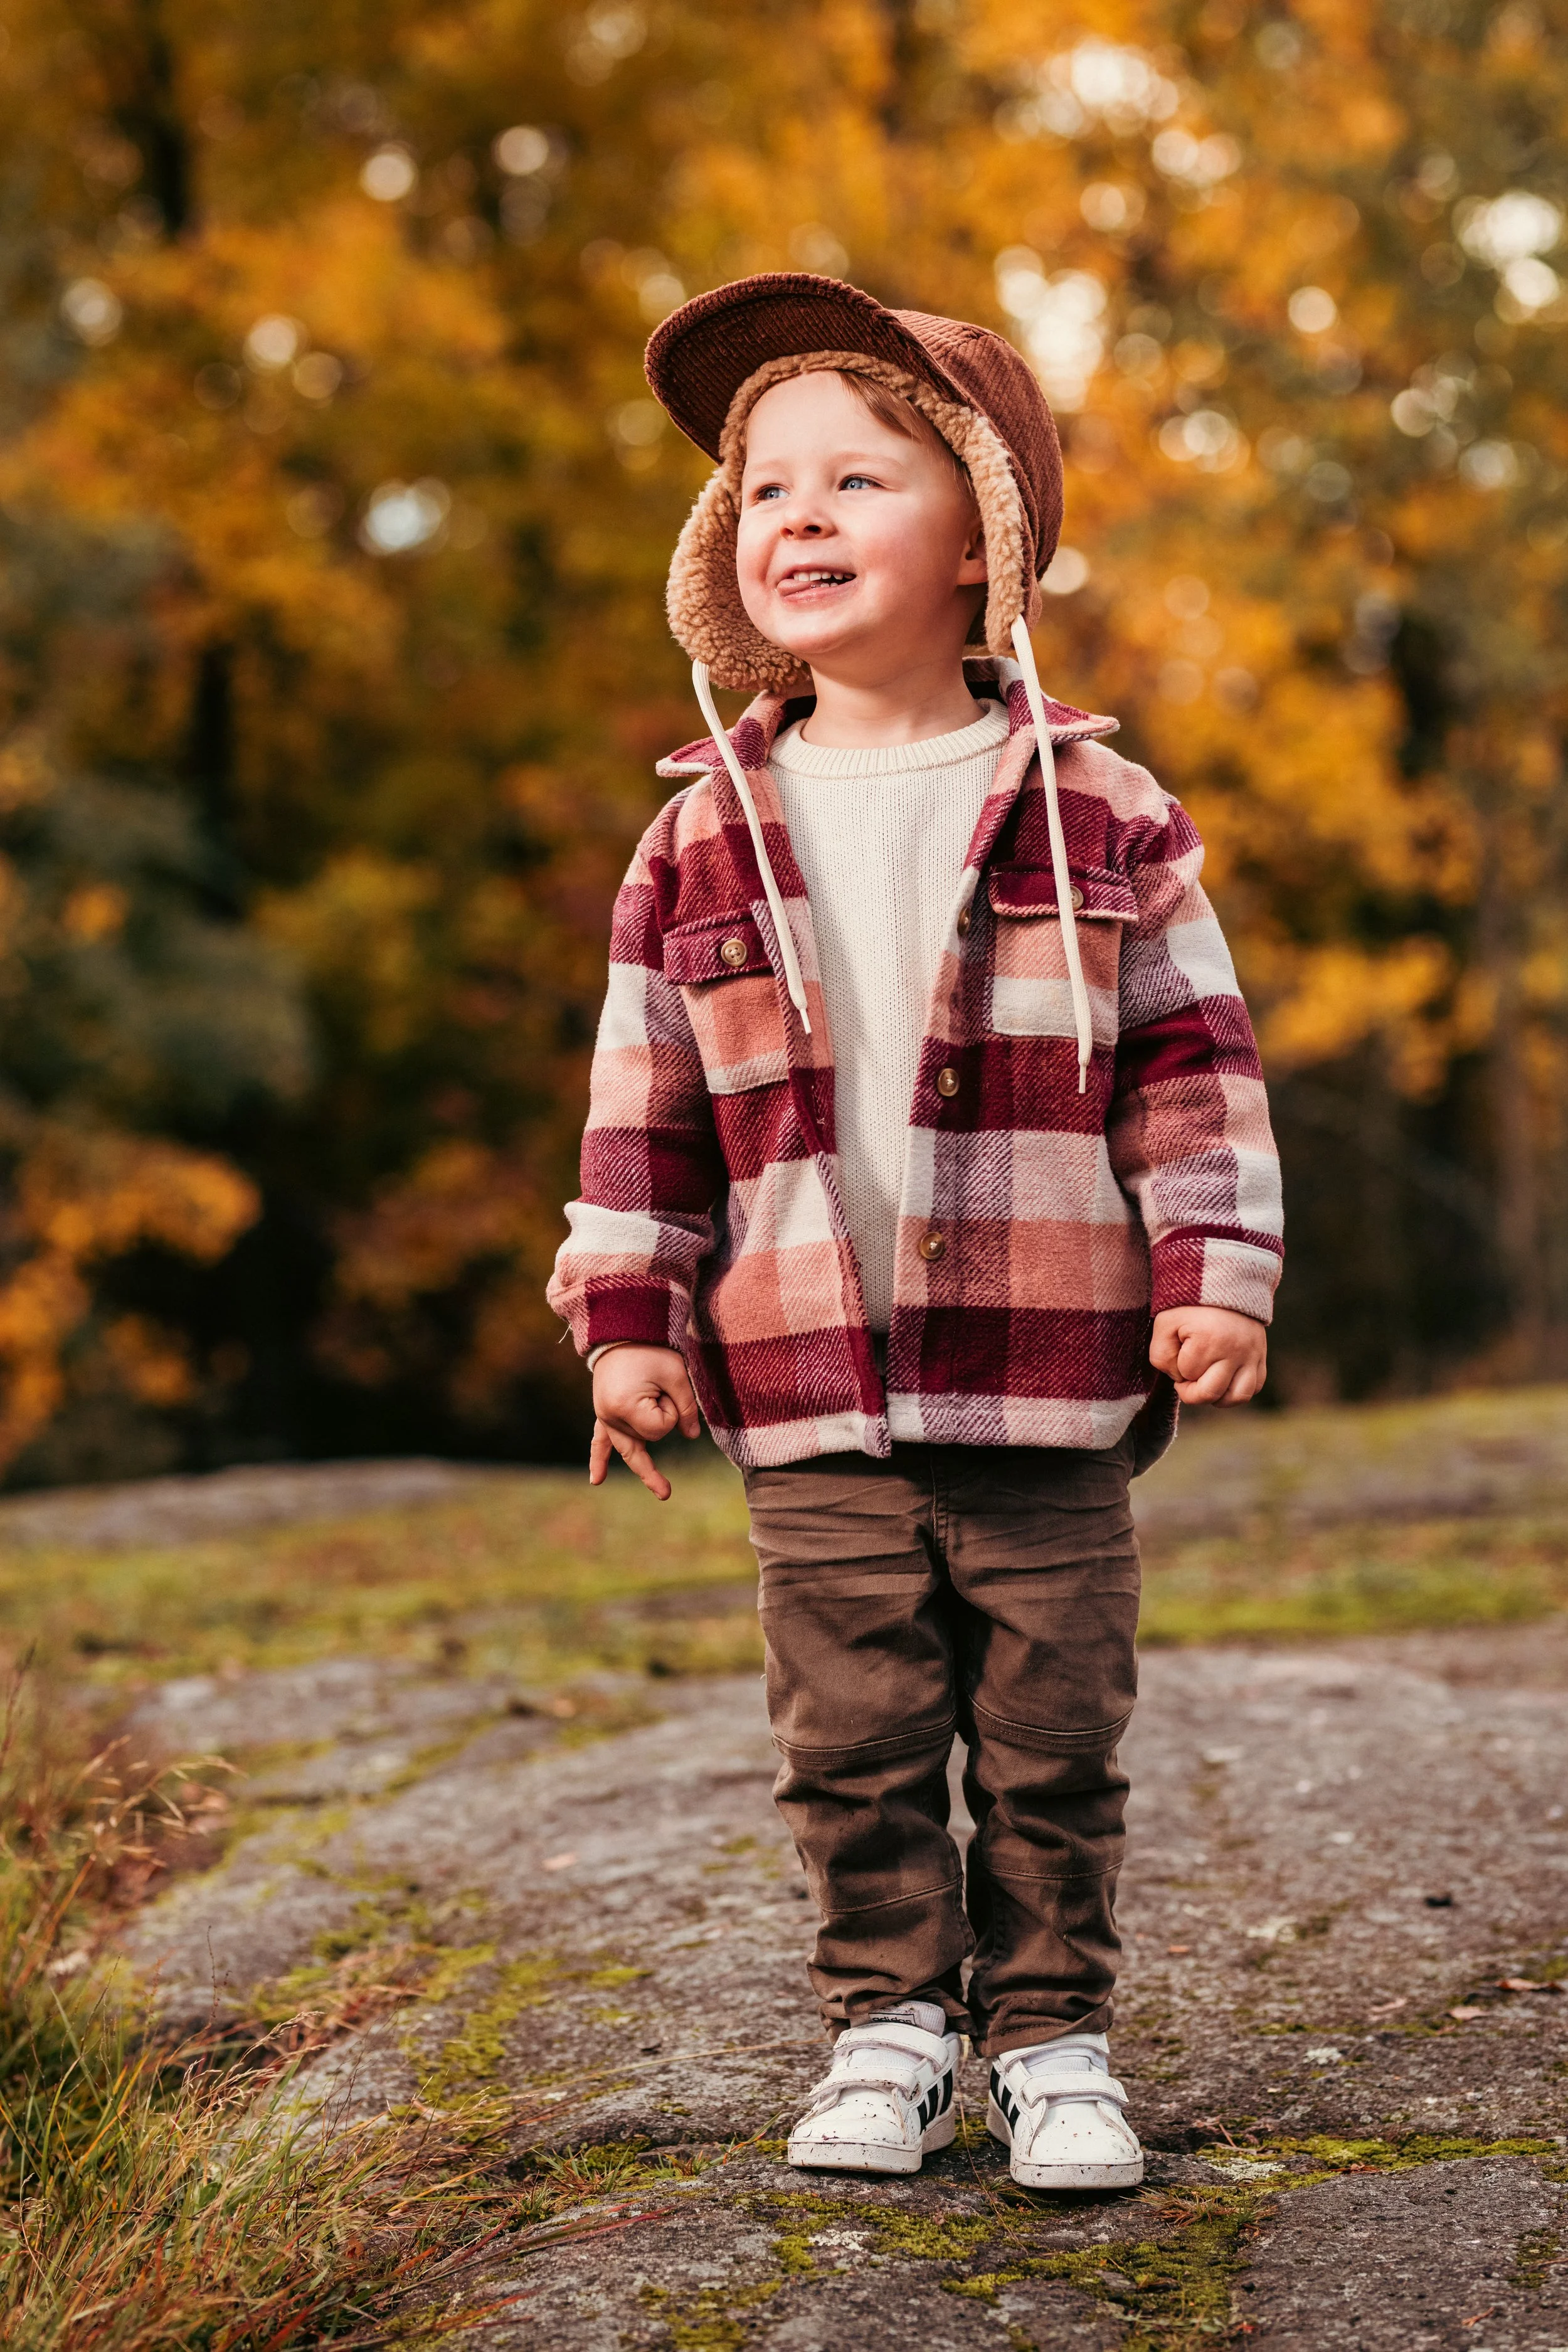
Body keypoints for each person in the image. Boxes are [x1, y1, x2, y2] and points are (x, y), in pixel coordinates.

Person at [548, 273, 1281, 2190]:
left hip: (1047, 1384)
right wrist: (629, 1312)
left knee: (1050, 1729)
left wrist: (1214, 1273)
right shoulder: (697, 835)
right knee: (853, 1731)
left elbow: (1193, 1065)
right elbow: (643, 1107)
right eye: (763, 484)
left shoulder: (1097, 809)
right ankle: (887, 2015)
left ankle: (1050, 2031)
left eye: (857, 478)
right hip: (807, 1382)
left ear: (981, 543)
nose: (795, 513)